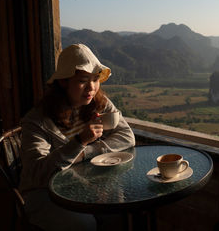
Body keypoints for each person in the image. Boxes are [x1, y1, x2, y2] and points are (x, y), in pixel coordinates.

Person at [19, 44, 135, 231]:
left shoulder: (99, 102)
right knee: (83, 225)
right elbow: (36, 173)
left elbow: (127, 136)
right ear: (64, 81)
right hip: (43, 192)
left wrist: (86, 151)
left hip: (83, 183)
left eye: (96, 79)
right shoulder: (37, 121)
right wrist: (79, 142)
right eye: (83, 81)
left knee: (117, 207)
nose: (91, 88)